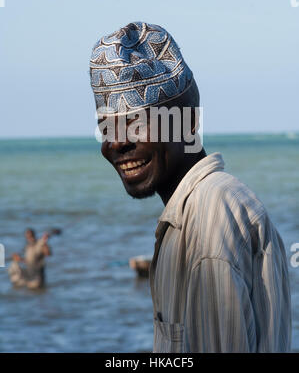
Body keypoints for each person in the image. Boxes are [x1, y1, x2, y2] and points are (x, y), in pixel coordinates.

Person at [89, 21, 292, 352]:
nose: (117, 143)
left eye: (136, 122)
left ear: (190, 121)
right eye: (106, 126)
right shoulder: (195, 212)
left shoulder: (210, 216)